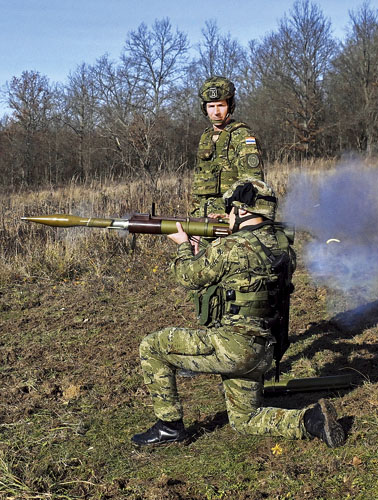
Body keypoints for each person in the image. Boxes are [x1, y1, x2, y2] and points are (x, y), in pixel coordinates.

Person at [132, 179, 345, 448]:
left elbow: (187, 276)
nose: (228, 215)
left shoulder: (231, 247)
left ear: (243, 210)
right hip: (262, 350)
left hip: (232, 349)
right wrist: (206, 248)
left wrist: (183, 245)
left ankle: (169, 426)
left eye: (230, 210)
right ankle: (311, 421)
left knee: (152, 346)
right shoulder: (282, 247)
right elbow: (239, 274)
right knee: (245, 420)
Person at [191, 76, 265, 218]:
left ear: (230, 106)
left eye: (221, 105)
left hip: (229, 219)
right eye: (211, 106)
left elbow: (253, 183)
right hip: (203, 218)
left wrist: (235, 215)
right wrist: (194, 216)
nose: (216, 112)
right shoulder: (206, 137)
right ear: (204, 108)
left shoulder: (242, 135)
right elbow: (199, 184)